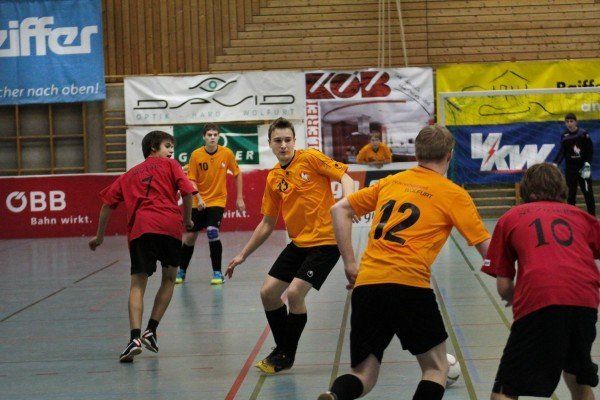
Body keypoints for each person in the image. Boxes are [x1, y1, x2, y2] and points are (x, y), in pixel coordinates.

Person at [319, 125, 491, 400]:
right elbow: (487, 249)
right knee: (436, 369)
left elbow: (339, 209)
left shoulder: (391, 181)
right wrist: (511, 278)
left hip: (368, 286)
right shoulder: (454, 194)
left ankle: (335, 394)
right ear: (449, 155)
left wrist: (350, 264)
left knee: (363, 375)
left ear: (417, 154)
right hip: (410, 287)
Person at [226, 117, 356, 374]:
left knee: (295, 293)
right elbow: (267, 223)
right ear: (270, 144)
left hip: (326, 242)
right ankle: (284, 349)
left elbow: (346, 178)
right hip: (298, 243)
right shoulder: (274, 178)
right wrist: (242, 255)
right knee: (268, 293)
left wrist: (349, 204)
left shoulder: (311, 158)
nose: (283, 145)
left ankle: (285, 354)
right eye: (278, 141)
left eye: (287, 140)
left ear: (295, 141)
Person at [481, 163, 600, 400]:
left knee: (505, 390)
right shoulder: (582, 217)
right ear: (562, 188)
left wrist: (514, 297)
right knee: (577, 377)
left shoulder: (511, 217)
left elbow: (504, 285)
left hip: (540, 303)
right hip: (585, 304)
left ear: (525, 190)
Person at [88, 130, 196, 362]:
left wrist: (99, 236)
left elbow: (106, 205)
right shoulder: (171, 165)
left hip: (141, 230)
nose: (171, 151)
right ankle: (151, 330)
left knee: (138, 284)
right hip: (169, 226)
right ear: (153, 147)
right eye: (167, 146)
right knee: (169, 279)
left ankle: (134, 338)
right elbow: (188, 193)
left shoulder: (129, 175)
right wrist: (187, 219)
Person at [177, 123, 245, 285]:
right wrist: (199, 198)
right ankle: (181, 271)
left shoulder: (226, 153)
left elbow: (237, 173)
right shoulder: (196, 155)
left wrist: (240, 198)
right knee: (190, 236)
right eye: (209, 135)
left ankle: (217, 273)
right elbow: (191, 179)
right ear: (204, 137)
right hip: (197, 201)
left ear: (219, 136)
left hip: (217, 200)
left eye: (215, 135)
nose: (212, 137)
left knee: (212, 232)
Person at [552, 113, 595, 216]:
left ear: (576, 122)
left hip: (583, 169)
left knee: (588, 193)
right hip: (570, 170)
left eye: (571, 121)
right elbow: (562, 151)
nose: (569, 123)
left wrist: (587, 164)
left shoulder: (583, 134)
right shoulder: (564, 136)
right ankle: (571, 218)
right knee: (571, 195)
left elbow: (590, 151)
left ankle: (592, 217)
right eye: (567, 122)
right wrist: (555, 163)